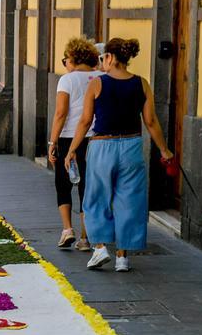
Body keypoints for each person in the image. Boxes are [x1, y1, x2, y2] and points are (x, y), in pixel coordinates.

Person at [66, 38, 174, 273]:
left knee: (96, 198)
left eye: (104, 57)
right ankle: (123, 258)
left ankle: (101, 248)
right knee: (129, 201)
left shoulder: (97, 85)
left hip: (103, 146)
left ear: (112, 58)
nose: (102, 62)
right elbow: (151, 121)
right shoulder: (142, 84)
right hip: (132, 147)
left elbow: (85, 121)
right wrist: (164, 150)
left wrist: (72, 149)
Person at [46, 36, 102, 252]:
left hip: (69, 136)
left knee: (63, 184)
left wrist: (53, 141)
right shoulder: (101, 77)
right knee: (88, 188)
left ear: (72, 57)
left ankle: (67, 229)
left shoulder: (67, 80)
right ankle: (86, 238)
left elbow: (61, 113)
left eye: (65, 59)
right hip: (95, 139)